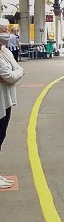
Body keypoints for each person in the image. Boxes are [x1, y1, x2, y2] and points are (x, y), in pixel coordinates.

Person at [0, 42, 22, 189]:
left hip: (6, 100)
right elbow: (10, 76)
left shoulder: (5, 51)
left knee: (2, 135)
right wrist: (17, 72)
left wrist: (17, 71)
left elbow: (16, 69)